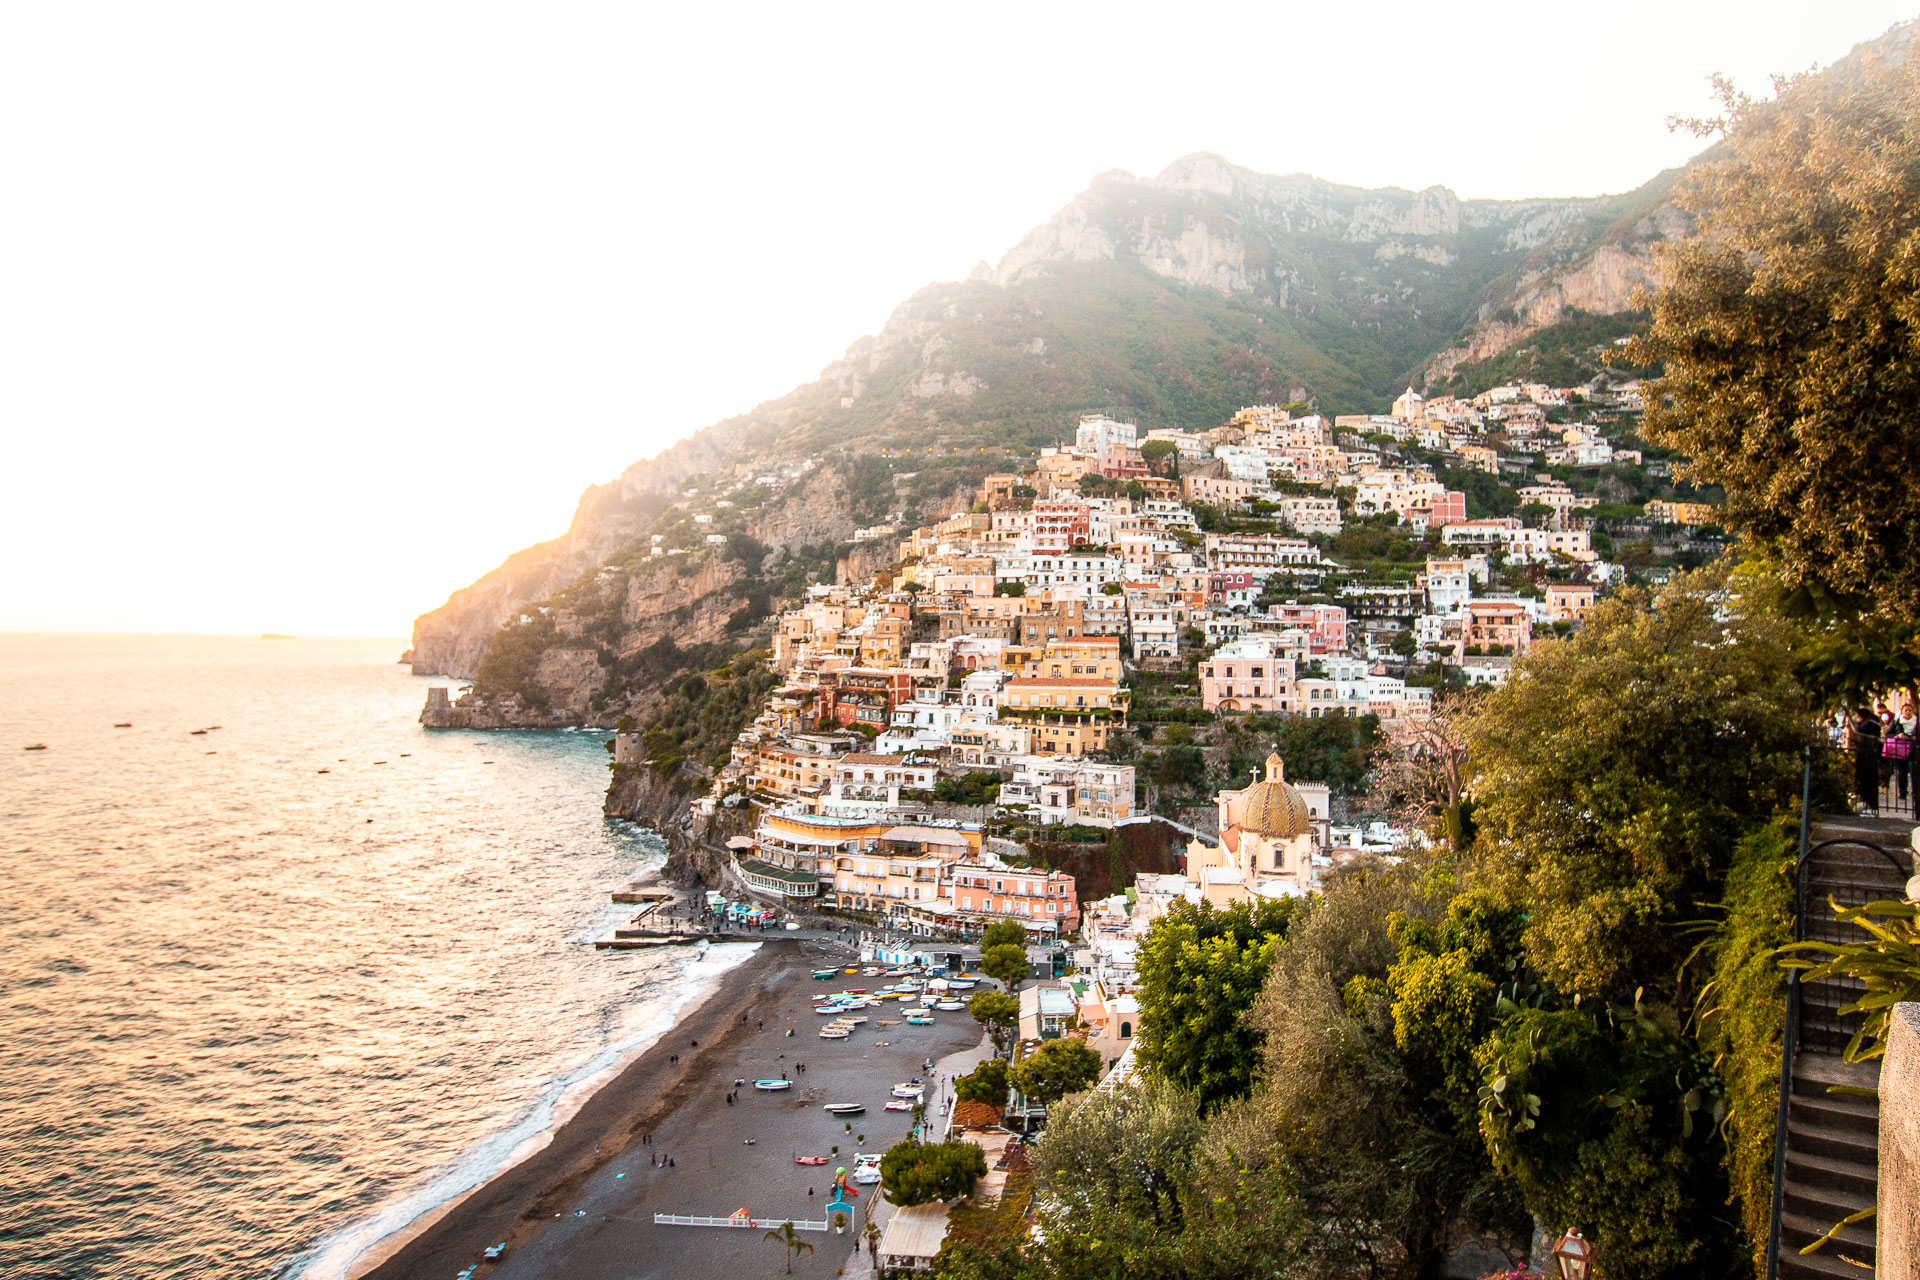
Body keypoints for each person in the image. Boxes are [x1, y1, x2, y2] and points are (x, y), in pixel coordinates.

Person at [1852, 707, 1884, 814]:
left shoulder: (1869, 724)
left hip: (1868, 755)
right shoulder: (1874, 722)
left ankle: (1870, 804)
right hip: (1869, 754)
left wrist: (1852, 721)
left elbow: (1856, 730)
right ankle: (1869, 803)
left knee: (1867, 780)